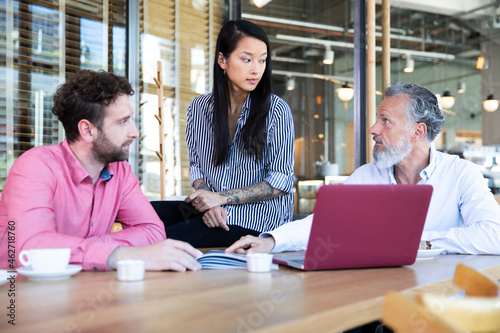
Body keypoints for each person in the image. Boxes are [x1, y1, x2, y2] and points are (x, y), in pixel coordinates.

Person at [226, 83, 500, 255]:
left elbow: (494, 236)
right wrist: (272, 241)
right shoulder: (368, 175)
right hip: (380, 287)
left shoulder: (462, 174)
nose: (373, 129)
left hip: (441, 295)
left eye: (386, 121)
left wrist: (419, 242)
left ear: (418, 131)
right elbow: (324, 223)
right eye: (376, 119)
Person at [0, 70, 201, 272]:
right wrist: (117, 254)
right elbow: (33, 248)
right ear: (88, 131)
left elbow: (153, 231)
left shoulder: (119, 170)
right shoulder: (36, 166)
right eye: (123, 121)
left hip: (82, 286)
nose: (135, 132)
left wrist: (87, 248)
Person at [163, 20, 295, 247]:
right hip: (210, 210)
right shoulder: (199, 107)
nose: (256, 69)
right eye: (247, 59)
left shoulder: (277, 110)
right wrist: (207, 199)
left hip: (257, 219)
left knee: (162, 238)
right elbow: (196, 166)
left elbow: (280, 182)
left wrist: (220, 198)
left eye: (262, 60)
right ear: (223, 60)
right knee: (146, 218)